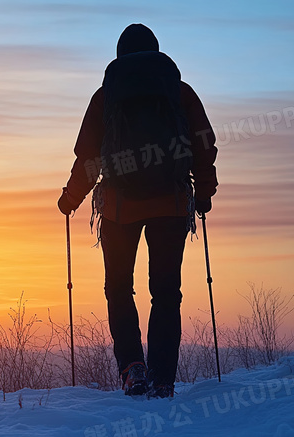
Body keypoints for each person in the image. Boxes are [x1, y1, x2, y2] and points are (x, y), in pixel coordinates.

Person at [58, 23, 218, 398]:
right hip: (171, 204)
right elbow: (203, 148)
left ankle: (132, 369)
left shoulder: (106, 97)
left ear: (119, 56)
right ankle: (163, 376)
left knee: (118, 288)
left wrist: (71, 198)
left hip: (118, 207)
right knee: (165, 292)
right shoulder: (180, 93)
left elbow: (89, 159)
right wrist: (205, 194)